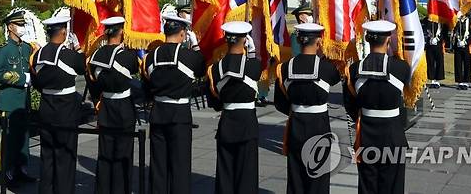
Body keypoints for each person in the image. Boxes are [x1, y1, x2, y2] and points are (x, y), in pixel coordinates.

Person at [142, 12, 206, 194]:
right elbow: (201, 67)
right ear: (182, 33)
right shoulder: (188, 56)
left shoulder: (151, 56)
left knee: (158, 165)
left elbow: (146, 87)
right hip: (179, 115)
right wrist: (195, 44)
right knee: (180, 165)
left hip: (158, 113)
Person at [343, 20, 410, 194]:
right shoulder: (401, 67)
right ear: (389, 39)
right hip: (393, 134)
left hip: (366, 135)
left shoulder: (354, 69)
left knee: (367, 185)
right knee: (393, 186)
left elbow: (350, 105)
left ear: (366, 38)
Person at [274, 22, 341, 194]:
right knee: (317, 174)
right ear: (319, 42)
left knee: (296, 174)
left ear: (299, 40)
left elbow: (280, 103)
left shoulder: (284, 67)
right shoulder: (326, 68)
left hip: (296, 123)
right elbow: (335, 78)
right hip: (318, 125)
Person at [31, 15, 86, 194]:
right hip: (66, 110)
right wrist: (79, 49)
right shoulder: (69, 55)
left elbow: (36, 83)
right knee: (65, 157)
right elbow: (82, 66)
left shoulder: (38, 55)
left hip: (46, 108)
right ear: (64, 31)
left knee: (47, 156)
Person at [207, 21, 262, 194]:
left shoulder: (215, 69)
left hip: (227, 123)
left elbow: (215, 104)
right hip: (247, 124)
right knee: (247, 175)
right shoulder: (254, 65)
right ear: (246, 40)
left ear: (226, 39)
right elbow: (255, 68)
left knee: (225, 173)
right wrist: (252, 52)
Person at [88, 16, 139, 194]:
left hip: (106, 106)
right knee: (123, 154)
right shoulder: (128, 55)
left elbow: (93, 85)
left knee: (105, 154)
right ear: (121, 32)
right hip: (124, 107)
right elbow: (134, 68)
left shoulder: (95, 56)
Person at [0, 10, 37, 186]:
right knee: (8, 139)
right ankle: (7, 172)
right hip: (9, 100)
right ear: (10, 27)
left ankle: (22, 169)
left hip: (23, 101)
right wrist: (21, 79)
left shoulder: (27, 48)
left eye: (23, 25)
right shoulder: (3, 49)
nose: (22, 28)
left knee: (23, 137)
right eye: (19, 25)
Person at [452, 11, 471, 90]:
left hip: (466, 45)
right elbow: (454, 31)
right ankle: (460, 81)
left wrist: (467, 42)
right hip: (458, 44)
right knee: (458, 63)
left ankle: (466, 81)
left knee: (467, 63)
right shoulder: (456, 21)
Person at [422, 17, 445, 88]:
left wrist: (439, 38)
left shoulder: (441, 20)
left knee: (439, 62)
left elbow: (444, 31)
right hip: (430, 44)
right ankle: (432, 79)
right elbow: (424, 25)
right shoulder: (427, 20)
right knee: (430, 62)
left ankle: (437, 80)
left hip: (438, 44)